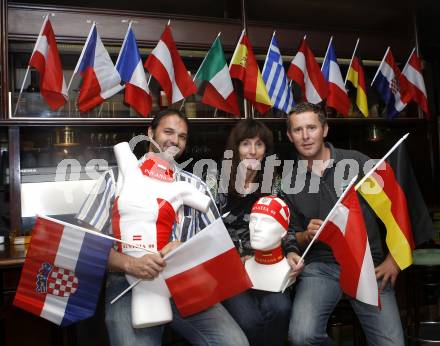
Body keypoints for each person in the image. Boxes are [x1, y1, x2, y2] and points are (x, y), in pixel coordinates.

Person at [76, 109, 249, 346]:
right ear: (150, 133)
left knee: (234, 343)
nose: (174, 141)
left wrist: (185, 251)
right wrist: (130, 263)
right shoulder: (114, 179)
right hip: (127, 281)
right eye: (168, 132)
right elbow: (84, 243)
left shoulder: (193, 185)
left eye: (182, 136)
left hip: (185, 280)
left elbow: (216, 243)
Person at [279, 102, 404, 345]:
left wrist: (395, 260)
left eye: (312, 128)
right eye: (297, 130)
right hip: (321, 267)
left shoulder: (357, 163)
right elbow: (290, 234)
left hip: (368, 264)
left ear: (325, 130)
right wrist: (305, 235)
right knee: (301, 336)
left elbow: (396, 209)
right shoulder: (288, 180)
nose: (305, 136)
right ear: (289, 135)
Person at [213, 119, 303, 346]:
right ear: (235, 148)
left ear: (266, 150)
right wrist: (235, 258)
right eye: (245, 144)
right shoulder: (216, 181)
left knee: (281, 309)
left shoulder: (274, 183)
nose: (252, 151)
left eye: (259, 144)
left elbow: (286, 225)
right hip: (229, 271)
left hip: (266, 266)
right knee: (250, 321)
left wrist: (292, 250)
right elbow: (206, 232)